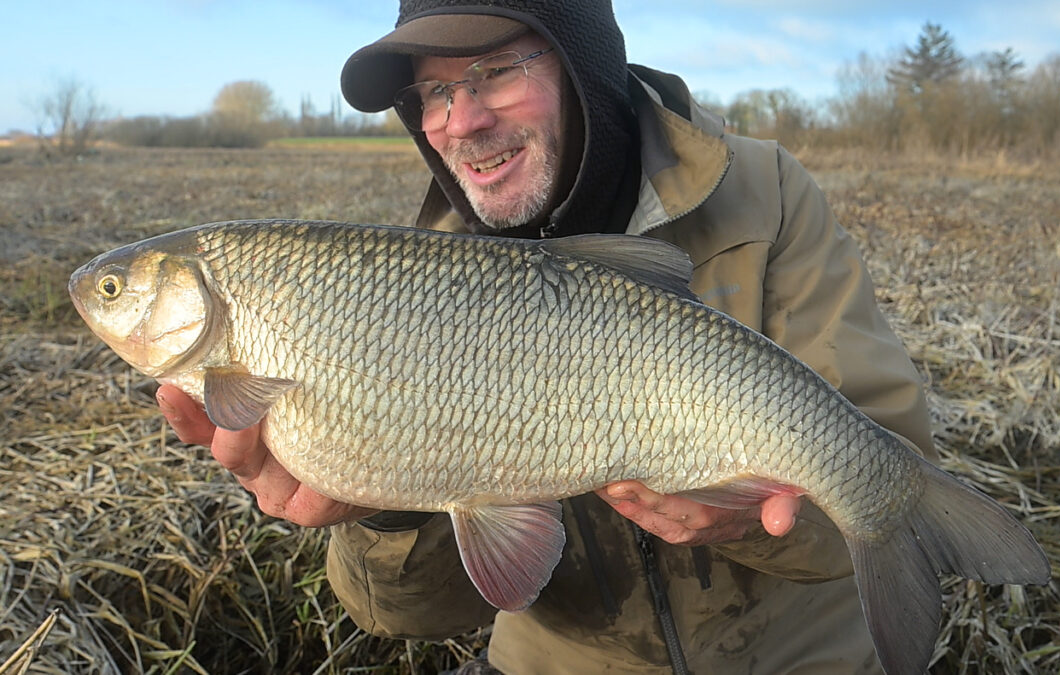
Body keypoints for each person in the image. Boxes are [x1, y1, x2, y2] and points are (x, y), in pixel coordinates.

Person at [156, 1, 937, 672]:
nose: (460, 120)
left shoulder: (764, 193)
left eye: (493, 70)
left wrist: (761, 515)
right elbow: (414, 609)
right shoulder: (398, 285)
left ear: (581, 65)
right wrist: (381, 504)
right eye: (431, 91)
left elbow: (885, 467)